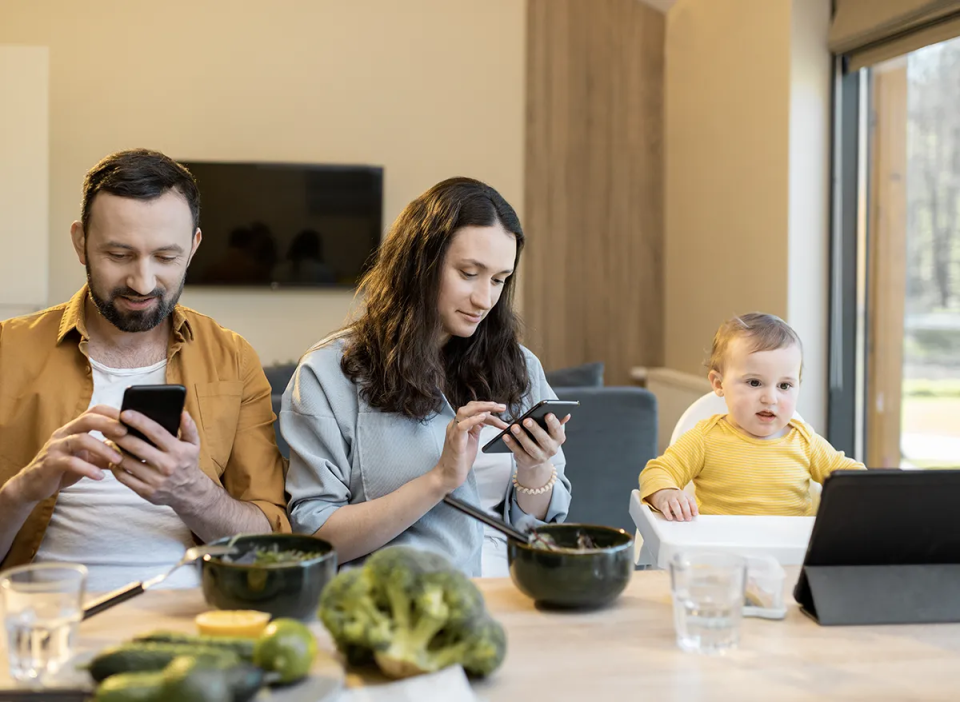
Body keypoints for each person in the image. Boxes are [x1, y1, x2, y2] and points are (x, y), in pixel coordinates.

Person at [0, 149, 289, 590]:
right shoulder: (8, 350)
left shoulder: (232, 359)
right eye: (119, 254)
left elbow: (272, 548)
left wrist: (191, 492)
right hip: (42, 620)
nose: (143, 282)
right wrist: (25, 489)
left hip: (193, 623)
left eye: (165, 257)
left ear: (193, 247)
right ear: (80, 242)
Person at [282, 177, 572, 577]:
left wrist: (535, 469)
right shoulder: (329, 374)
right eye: (469, 273)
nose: (485, 299)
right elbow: (316, 534)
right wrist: (439, 480)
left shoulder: (520, 367)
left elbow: (539, 530)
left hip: (515, 592)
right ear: (419, 263)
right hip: (401, 596)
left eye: (499, 280)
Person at [639, 313, 865, 521]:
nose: (770, 398)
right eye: (754, 383)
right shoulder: (704, 439)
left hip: (791, 557)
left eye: (784, 385)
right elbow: (657, 471)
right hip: (723, 555)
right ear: (719, 384)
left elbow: (851, 477)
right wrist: (666, 493)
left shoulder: (806, 442)